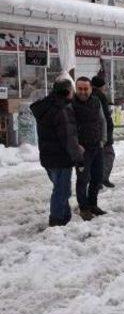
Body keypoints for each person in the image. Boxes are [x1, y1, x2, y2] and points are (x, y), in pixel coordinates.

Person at [30, 78, 84, 227]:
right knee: (61, 191)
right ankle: (57, 220)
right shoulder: (62, 109)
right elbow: (69, 138)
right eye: (72, 91)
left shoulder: (46, 106)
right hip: (61, 158)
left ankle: (64, 216)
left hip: (48, 157)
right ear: (67, 92)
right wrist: (79, 158)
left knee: (61, 189)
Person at [73, 76, 107, 221]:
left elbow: (102, 120)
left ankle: (93, 204)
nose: (83, 92)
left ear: (91, 88)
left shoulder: (96, 101)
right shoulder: (71, 104)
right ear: (76, 88)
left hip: (96, 146)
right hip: (81, 150)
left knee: (97, 177)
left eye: (86, 89)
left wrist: (103, 139)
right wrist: (75, 145)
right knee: (83, 179)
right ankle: (84, 208)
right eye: (80, 89)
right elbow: (68, 127)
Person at [91, 76, 115, 188]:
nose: (105, 88)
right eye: (104, 86)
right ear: (100, 86)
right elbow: (103, 117)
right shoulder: (100, 96)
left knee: (98, 157)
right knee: (108, 155)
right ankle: (101, 179)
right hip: (103, 132)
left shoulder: (91, 95)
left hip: (96, 131)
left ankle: (99, 179)